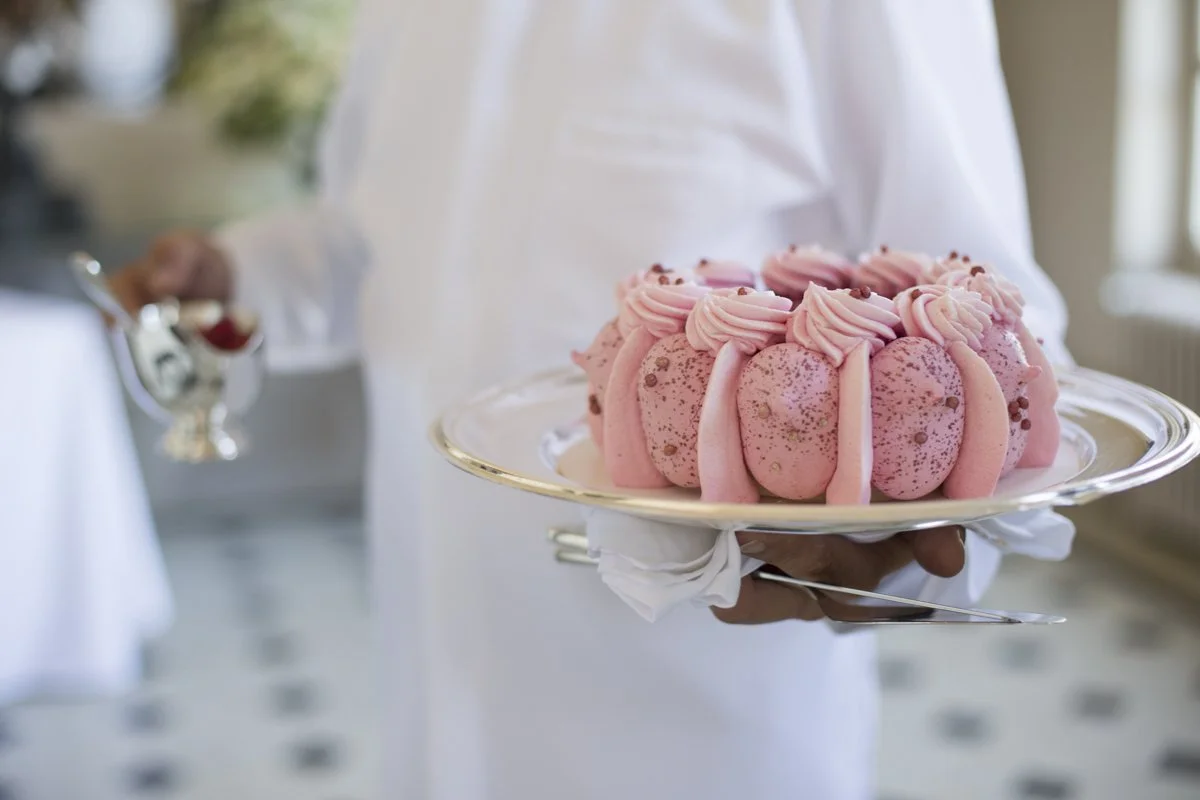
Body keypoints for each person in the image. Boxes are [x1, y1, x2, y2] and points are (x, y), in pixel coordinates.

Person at [110, 2, 1075, 797]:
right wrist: (241, 273)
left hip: (702, 714)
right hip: (437, 662)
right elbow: (378, 243)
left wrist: (893, 553)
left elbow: (991, 319)